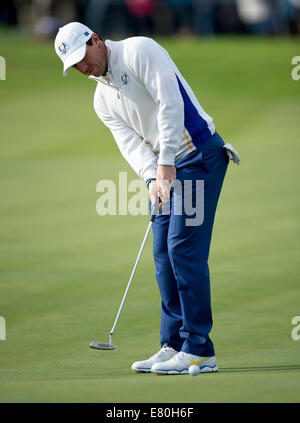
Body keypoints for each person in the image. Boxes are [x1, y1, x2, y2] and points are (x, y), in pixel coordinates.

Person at [54, 22, 240, 375]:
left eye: (83, 58)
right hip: (166, 167)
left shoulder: (140, 50)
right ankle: (173, 345)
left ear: (95, 40)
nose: (83, 68)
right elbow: (130, 145)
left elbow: (169, 103)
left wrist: (166, 161)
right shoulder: (101, 98)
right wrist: (152, 176)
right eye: (74, 66)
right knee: (162, 252)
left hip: (198, 155)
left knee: (182, 249)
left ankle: (200, 349)